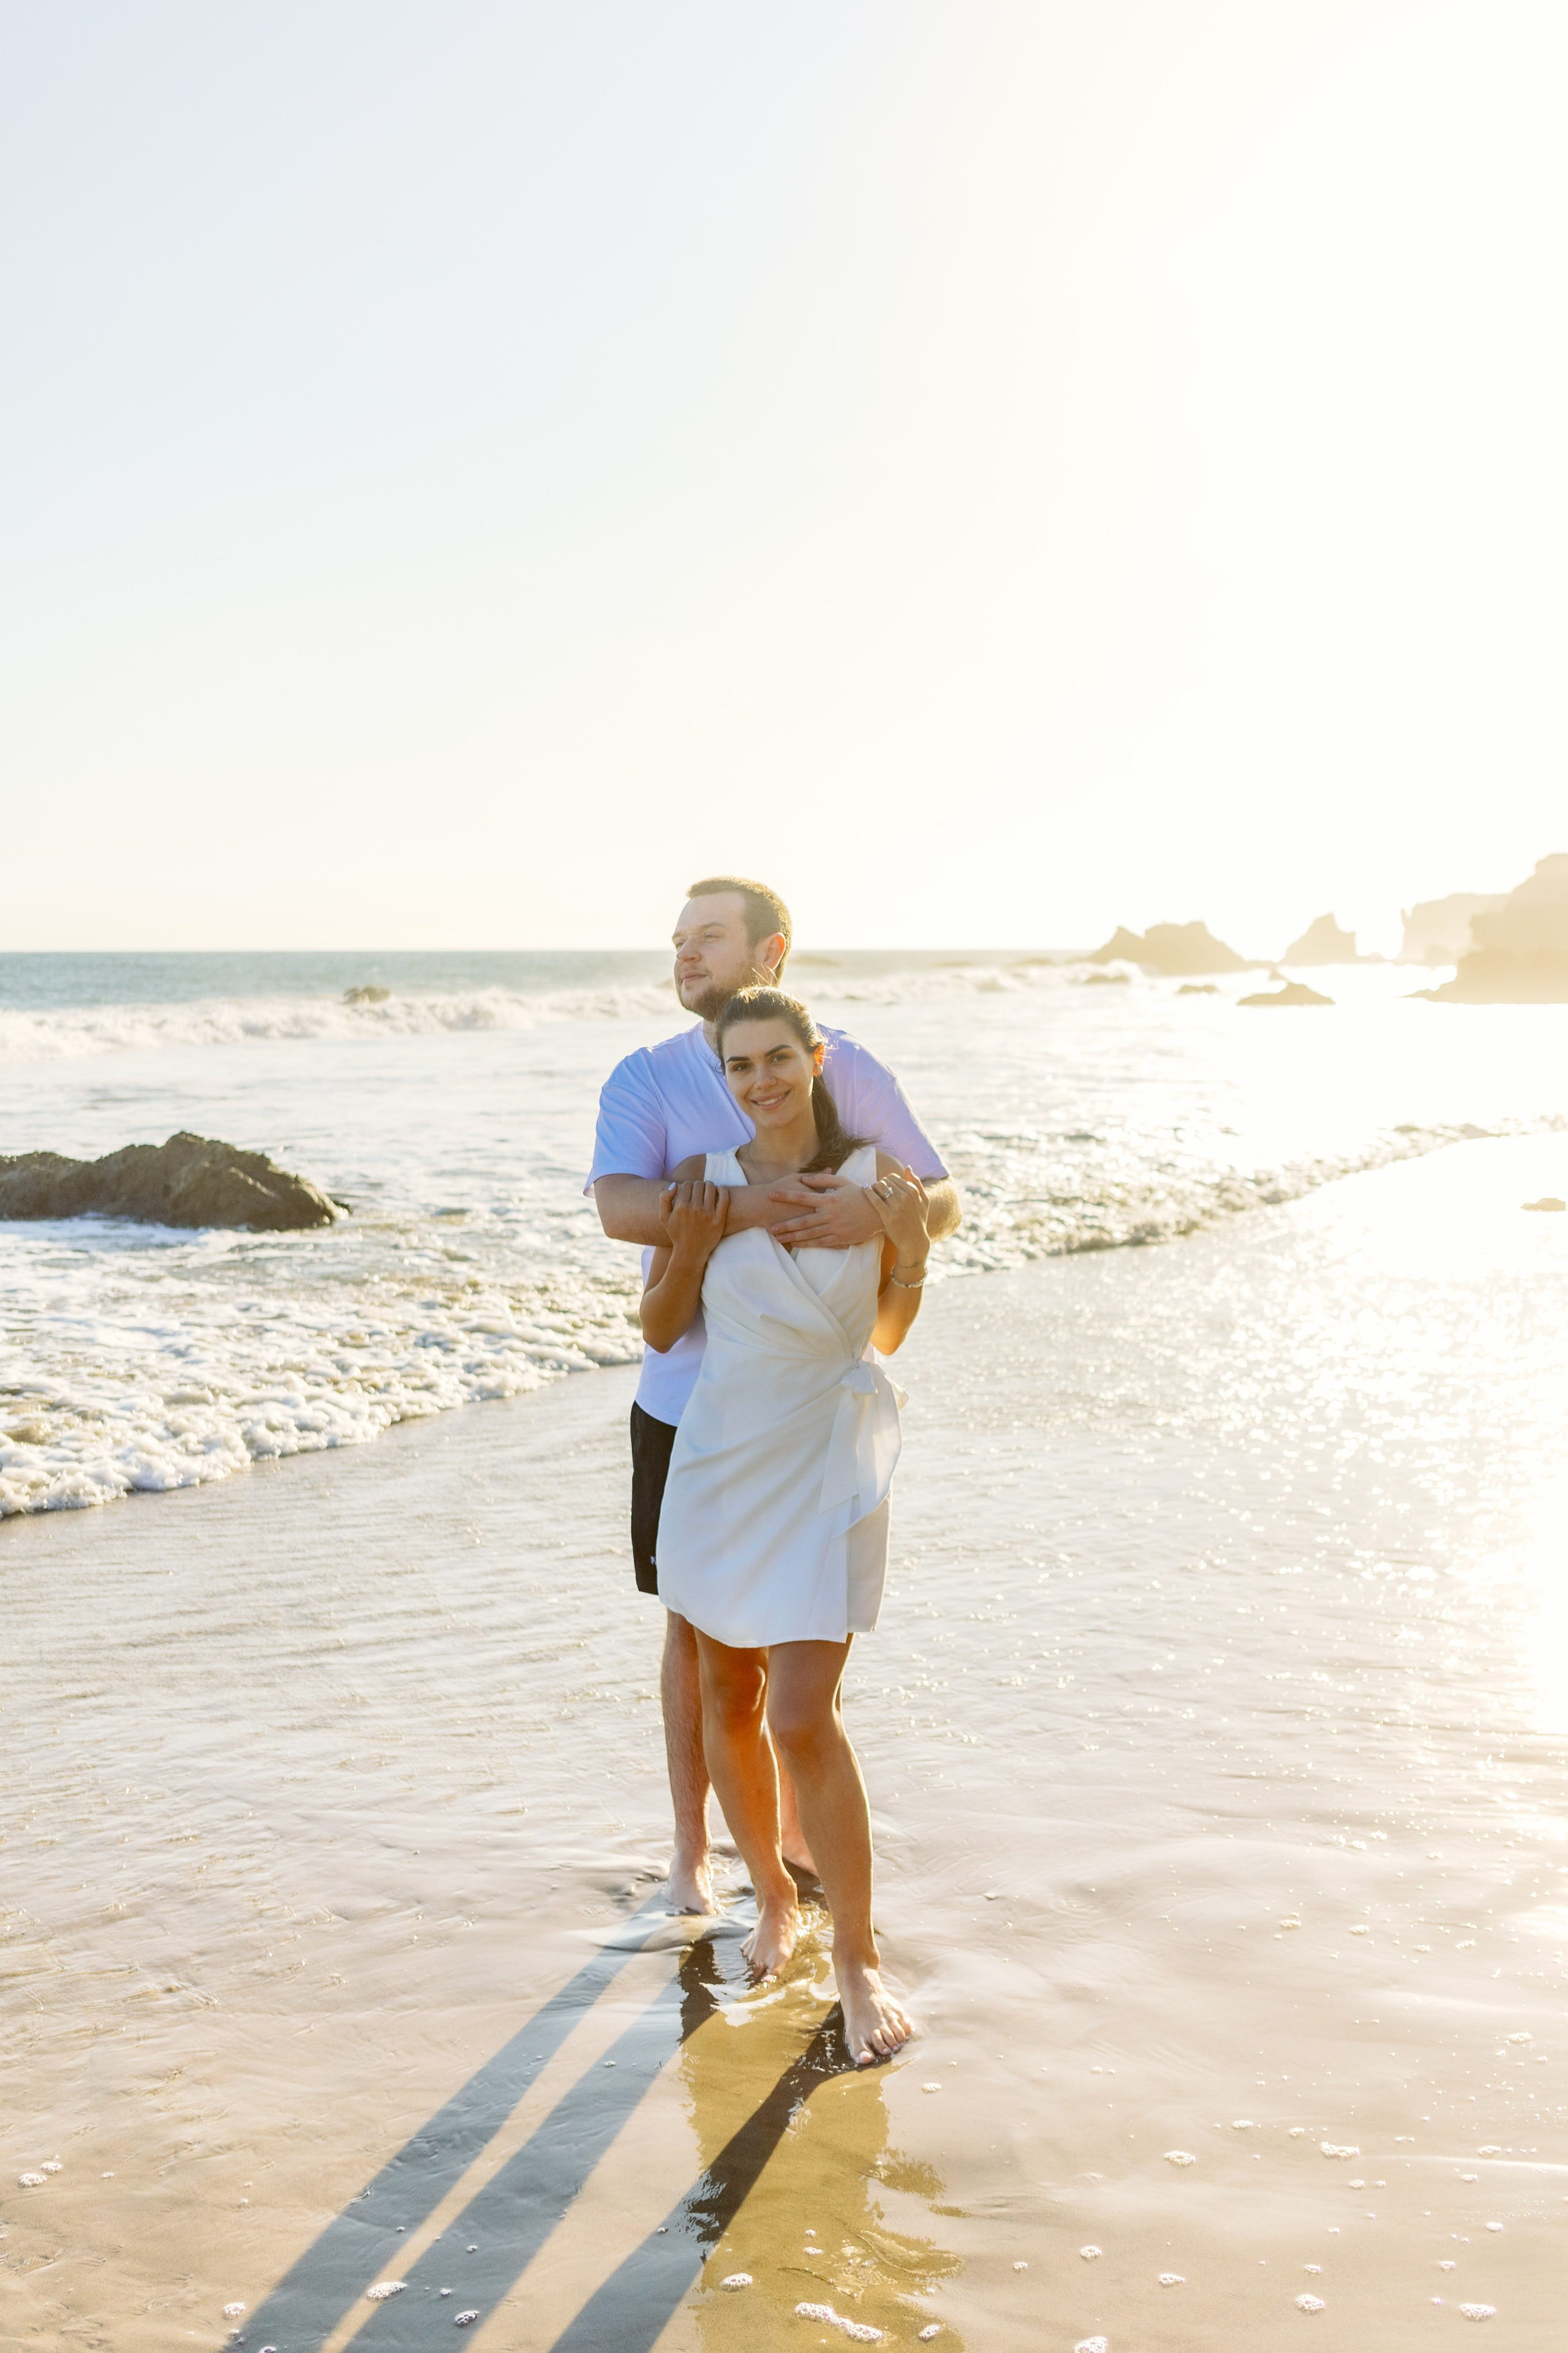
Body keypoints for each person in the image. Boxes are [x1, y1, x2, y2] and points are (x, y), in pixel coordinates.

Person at [588, 877, 960, 1914]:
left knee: (803, 1636)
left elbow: (937, 1191)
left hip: (811, 1406)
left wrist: (875, 1223)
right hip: (685, 1399)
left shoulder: (835, 1062)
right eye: (677, 940)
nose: (685, 955)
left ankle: (798, 1832)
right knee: (695, 1637)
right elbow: (621, 1205)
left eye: (709, 937)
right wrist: (746, 1209)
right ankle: (691, 1849)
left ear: (773, 951)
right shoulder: (649, 1075)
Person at [641, 987, 930, 2063]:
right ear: (723, 1079)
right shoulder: (703, 1181)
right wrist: (688, 1245)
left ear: (815, 1059)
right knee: (728, 1688)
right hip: (721, 1455)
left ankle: (855, 1959)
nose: (760, 1081)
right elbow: (666, 1329)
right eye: (738, 1066)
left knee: (805, 1713)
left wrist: (908, 1243)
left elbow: (889, 1331)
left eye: (777, 1058)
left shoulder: (875, 1178)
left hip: (823, 1452)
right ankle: (772, 1894)